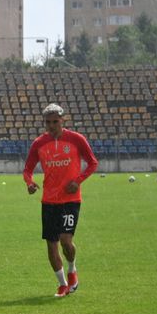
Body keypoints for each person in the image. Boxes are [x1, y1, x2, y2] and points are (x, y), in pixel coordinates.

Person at [22, 104, 98, 297]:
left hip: (71, 200)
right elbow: (28, 169)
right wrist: (29, 183)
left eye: (55, 122)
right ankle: (62, 284)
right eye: (48, 122)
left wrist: (78, 181)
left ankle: (72, 268)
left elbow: (92, 163)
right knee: (51, 244)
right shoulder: (39, 143)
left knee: (66, 240)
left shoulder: (76, 139)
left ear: (63, 121)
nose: (51, 126)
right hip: (48, 201)